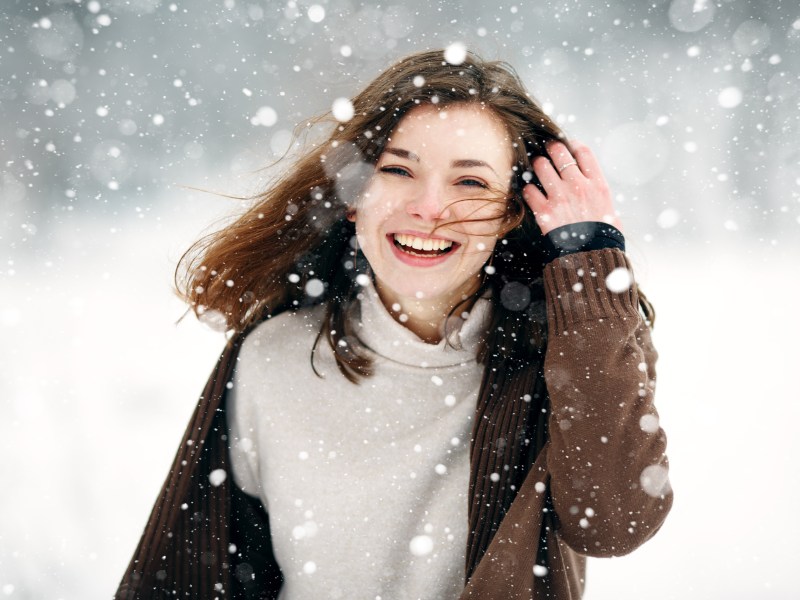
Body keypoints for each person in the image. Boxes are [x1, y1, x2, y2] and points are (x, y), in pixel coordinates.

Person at [116, 49, 672, 600]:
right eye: (399, 170)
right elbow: (188, 573)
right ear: (355, 194)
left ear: (509, 214)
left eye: (471, 183)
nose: (429, 207)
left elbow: (614, 522)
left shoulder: (562, 358)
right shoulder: (271, 356)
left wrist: (589, 263)